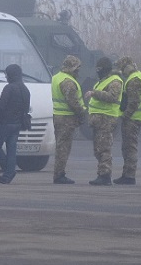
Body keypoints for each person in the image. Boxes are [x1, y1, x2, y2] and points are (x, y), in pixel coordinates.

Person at [85, 56, 124, 186]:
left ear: (105, 69)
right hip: (99, 120)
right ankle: (101, 173)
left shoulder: (115, 81)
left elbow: (112, 97)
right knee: (98, 149)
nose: (97, 71)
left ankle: (105, 175)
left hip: (107, 119)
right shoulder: (102, 81)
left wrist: (94, 93)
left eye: (99, 69)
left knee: (104, 148)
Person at [50, 55, 89, 184]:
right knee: (64, 147)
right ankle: (59, 175)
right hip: (66, 118)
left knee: (61, 145)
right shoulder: (68, 82)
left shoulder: (56, 77)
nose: (78, 71)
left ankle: (59, 173)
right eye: (77, 68)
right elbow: (73, 102)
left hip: (58, 116)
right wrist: (82, 113)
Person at [0, 63, 30, 183]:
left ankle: (8, 170)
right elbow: (26, 108)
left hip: (5, 123)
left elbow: (1, 106)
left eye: (6, 74)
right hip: (17, 124)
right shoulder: (25, 89)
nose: (6, 76)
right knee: (11, 149)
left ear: (10, 75)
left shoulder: (9, 88)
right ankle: (8, 174)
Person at [115, 56, 141, 185]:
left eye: (122, 68)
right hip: (136, 118)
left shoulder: (134, 80)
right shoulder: (138, 76)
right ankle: (127, 174)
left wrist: (125, 116)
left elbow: (133, 102)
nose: (121, 71)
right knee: (127, 146)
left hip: (133, 119)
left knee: (130, 147)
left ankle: (129, 176)